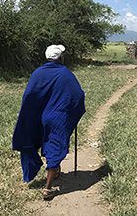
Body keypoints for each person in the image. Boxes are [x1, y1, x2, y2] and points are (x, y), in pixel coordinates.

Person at [12, 45, 86, 200]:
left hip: (41, 117)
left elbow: (30, 96)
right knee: (55, 146)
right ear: (60, 58)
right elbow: (77, 95)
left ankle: (55, 170)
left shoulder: (37, 73)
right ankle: (48, 188)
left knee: (47, 143)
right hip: (57, 118)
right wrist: (73, 107)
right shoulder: (65, 74)